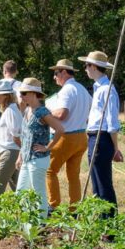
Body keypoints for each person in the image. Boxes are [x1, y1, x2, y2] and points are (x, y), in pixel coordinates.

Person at [79, 51, 123, 217]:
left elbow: (112, 122)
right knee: (96, 183)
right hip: (94, 137)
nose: (85, 69)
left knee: (103, 183)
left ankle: (110, 226)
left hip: (101, 138)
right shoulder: (99, 88)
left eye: (87, 65)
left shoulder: (107, 90)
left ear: (94, 67)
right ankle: (101, 222)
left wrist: (115, 148)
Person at [45, 59, 92, 211]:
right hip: (81, 137)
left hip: (66, 137)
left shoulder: (66, 90)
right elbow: (89, 114)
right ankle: (75, 209)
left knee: (50, 170)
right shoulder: (83, 90)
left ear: (64, 72)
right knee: (73, 175)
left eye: (56, 73)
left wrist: (44, 113)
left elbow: (62, 114)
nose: (54, 77)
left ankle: (53, 206)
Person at [15, 78, 64, 216]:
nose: (21, 96)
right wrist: (20, 156)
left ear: (33, 93)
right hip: (26, 158)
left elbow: (60, 129)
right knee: (20, 191)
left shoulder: (42, 112)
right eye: (20, 93)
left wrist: (47, 147)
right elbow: (24, 137)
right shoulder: (27, 111)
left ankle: (41, 223)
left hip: (38, 159)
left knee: (38, 192)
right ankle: (25, 223)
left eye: (24, 93)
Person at [0, 79, 23, 198]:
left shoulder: (10, 110)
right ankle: (22, 212)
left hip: (10, 152)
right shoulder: (10, 109)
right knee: (17, 186)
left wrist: (22, 152)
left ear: (6, 96)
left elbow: (16, 135)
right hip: (10, 151)